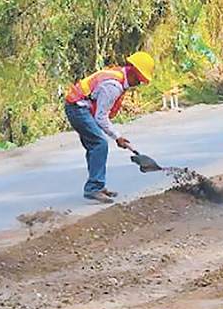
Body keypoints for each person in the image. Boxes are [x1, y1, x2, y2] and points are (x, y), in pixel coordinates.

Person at [64, 51, 156, 203]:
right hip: (77, 108)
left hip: (81, 107)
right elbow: (101, 117)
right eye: (139, 80)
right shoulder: (113, 86)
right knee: (99, 144)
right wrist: (117, 137)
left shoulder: (119, 76)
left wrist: (117, 137)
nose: (138, 84)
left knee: (95, 146)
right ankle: (94, 188)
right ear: (133, 72)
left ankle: (97, 185)